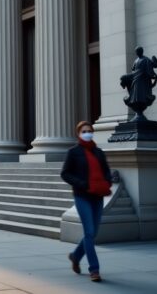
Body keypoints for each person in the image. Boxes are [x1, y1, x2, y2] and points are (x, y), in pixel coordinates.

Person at [61, 121, 112, 282]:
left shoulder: (99, 152)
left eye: (90, 130)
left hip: (97, 196)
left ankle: (76, 256)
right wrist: (82, 184)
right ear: (79, 133)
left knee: (93, 233)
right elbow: (65, 173)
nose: (87, 133)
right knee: (89, 232)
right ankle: (94, 269)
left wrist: (107, 182)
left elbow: (106, 170)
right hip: (82, 196)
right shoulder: (73, 152)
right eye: (84, 131)